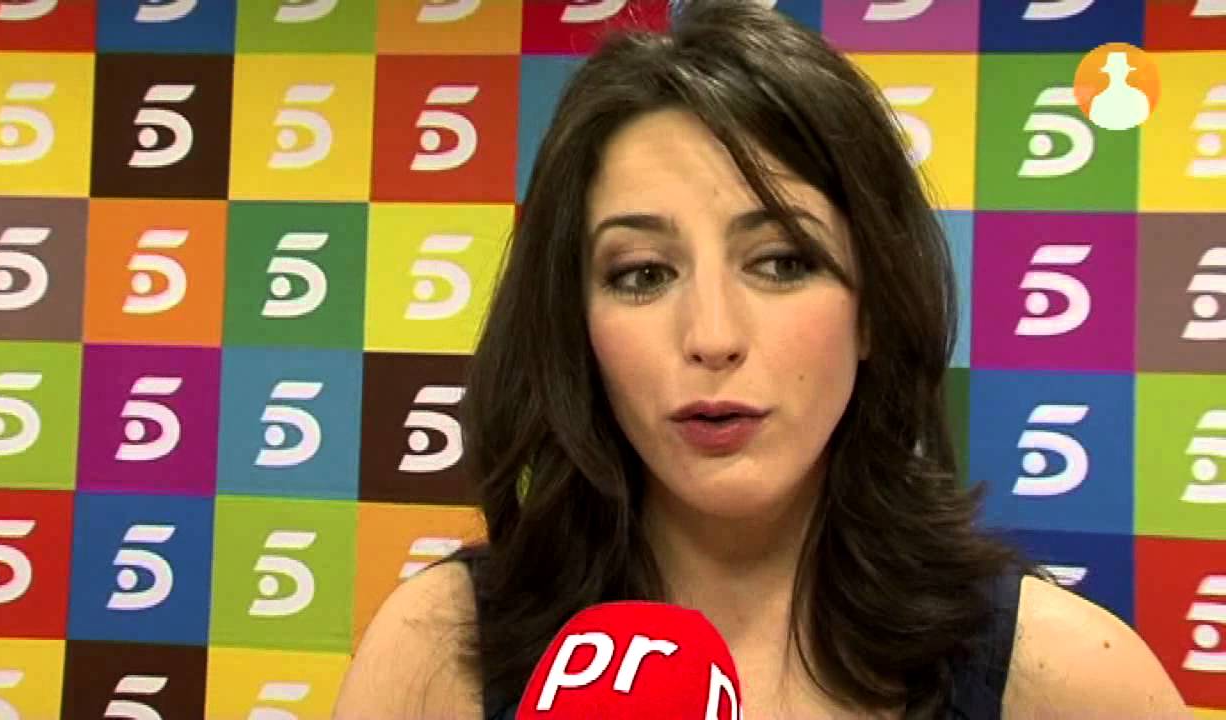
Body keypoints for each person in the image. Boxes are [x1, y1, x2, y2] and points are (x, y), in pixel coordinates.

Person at [335, 1, 1190, 717]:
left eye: (782, 262)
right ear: (576, 321)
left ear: (872, 308)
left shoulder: (1066, 679)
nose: (712, 335)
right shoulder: (438, 655)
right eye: (643, 274)